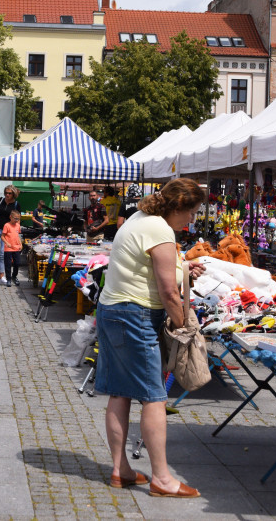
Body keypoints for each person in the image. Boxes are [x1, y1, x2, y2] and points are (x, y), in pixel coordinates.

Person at [95, 178, 206, 499]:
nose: (191, 220)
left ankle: (121, 470)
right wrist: (186, 328)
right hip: (136, 315)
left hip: (114, 310)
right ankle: (162, 478)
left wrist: (184, 264)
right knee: (154, 396)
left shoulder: (140, 218)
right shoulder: (160, 229)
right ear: (177, 207)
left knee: (120, 392)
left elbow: (153, 265)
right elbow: (169, 291)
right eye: (191, 213)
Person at [0, 185, 21, 285]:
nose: (7, 195)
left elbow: (18, 219)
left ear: (13, 194)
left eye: (9, 193)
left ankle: (2, 276)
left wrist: (17, 234)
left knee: (3, 254)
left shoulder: (16, 204)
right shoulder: (0, 200)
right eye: (6, 192)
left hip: (7, 232)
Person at [2, 210, 23, 287]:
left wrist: (20, 243)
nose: (17, 220)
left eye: (18, 219)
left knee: (17, 263)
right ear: (10, 217)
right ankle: (8, 279)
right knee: (8, 264)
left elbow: (18, 236)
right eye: (15, 218)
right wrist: (7, 243)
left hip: (16, 247)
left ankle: (14, 276)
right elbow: (2, 236)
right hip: (8, 248)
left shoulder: (17, 225)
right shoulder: (7, 225)